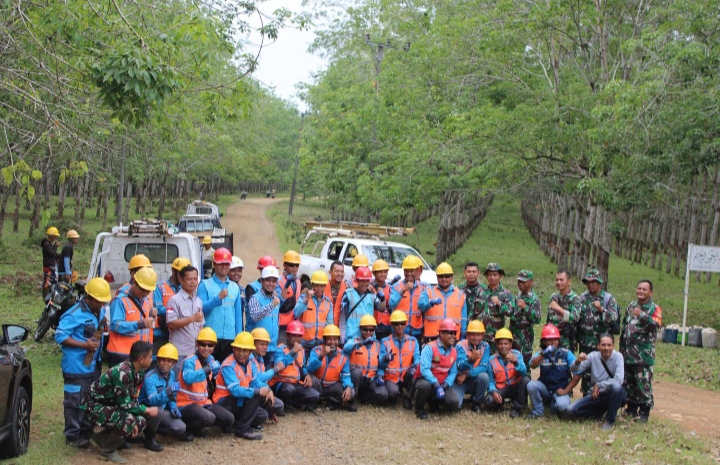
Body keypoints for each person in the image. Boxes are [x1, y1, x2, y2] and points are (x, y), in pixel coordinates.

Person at [82, 341, 161, 463]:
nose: (152, 359)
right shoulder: (123, 373)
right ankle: (107, 451)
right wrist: (147, 410)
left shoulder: (139, 371)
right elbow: (125, 405)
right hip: (94, 406)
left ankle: (102, 438)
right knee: (129, 419)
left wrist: (137, 416)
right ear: (141, 359)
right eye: (150, 357)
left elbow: (132, 398)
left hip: (112, 405)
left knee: (141, 421)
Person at [55, 277, 111, 448]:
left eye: (103, 302)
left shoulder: (98, 312)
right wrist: (83, 344)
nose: (102, 305)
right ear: (89, 297)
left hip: (93, 365)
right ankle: (72, 436)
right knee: (74, 401)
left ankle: (86, 431)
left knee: (91, 399)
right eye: (99, 301)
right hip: (76, 366)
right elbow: (59, 335)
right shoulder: (74, 314)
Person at [176, 327, 234, 439]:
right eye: (203, 344)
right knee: (209, 418)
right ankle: (185, 429)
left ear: (214, 346)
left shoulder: (211, 360)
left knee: (229, 418)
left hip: (203, 403)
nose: (206, 348)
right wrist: (207, 370)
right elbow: (188, 377)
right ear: (197, 344)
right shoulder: (190, 360)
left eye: (210, 345)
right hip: (185, 403)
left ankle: (197, 427)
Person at [213, 332, 269, 440]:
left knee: (262, 415)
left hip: (237, 400)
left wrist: (268, 390)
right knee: (255, 395)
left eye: (245, 350)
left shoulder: (249, 363)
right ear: (233, 349)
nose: (241, 353)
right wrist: (257, 391)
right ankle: (242, 429)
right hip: (224, 401)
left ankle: (236, 424)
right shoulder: (228, 365)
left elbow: (254, 381)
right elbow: (235, 390)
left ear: (250, 352)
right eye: (238, 349)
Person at [563, 334, 626, 431]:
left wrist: (599, 385)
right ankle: (599, 411)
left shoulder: (618, 357)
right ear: (598, 346)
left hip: (612, 394)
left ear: (613, 346)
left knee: (617, 388)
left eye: (609, 345)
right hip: (596, 395)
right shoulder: (593, 356)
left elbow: (618, 380)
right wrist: (577, 361)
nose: (606, 348)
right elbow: (574, 369)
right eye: (603, 345)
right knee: (570, 410)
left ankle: (610, 420)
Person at [620, 279, 662, 422]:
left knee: (642, 383)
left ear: (651, 292)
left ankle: (644, 412)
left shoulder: (654, 309)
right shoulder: (631, 306)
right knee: (629, 382)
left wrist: (642, 315)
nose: (641, 292)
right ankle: (631, 408)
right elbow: (625, 327)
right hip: (628, 353)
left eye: (644, 289)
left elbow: (655, 327)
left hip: (643, 355)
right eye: (639, 289)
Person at [577, 269, 619, 393]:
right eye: (588, 282)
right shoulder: (583, 298)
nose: (590, 285)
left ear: (600, 283)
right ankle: (586, 397)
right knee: (585, 372)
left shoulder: (608, 299)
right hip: (585, 343)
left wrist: (601, 309)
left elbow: (613, 318)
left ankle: (602, 399)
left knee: (601, 372)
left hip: (601, 345)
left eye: (594, 282)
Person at [197, 247, 243, 361]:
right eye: (220, 264)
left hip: (229, 337)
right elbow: (200, 309)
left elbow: (238, 316)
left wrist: (238, 338)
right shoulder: (204, 285)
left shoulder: (234, 287)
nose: (224, 267)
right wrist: (217, 299)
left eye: (227, 264)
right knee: (210, 371)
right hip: (210, 337)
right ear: (214, 264)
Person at [138, 343, 189, 442]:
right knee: (159, 410)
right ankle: (149, 435)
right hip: (146, 410)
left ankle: (154, 429)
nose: (165, 363)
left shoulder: (172, 374)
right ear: (158, 360)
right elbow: (153, 401)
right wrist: (167, 391)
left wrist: (173, 407)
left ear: (174, 363)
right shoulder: (150, 377)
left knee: (181, 427)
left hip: (162, 409)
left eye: (169, 361)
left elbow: (172, 395)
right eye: (162, 360)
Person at [107, 267, 157, 366]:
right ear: (134, 282)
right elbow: (115, 324)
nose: (145, 293)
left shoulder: (146, 300)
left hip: (140, 354)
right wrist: (139, 324)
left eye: (148, 291)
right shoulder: (120, 301)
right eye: (143, 290)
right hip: (121, 354)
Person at [525, 324, 575, 419]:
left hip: (560, 389)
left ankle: (553, 404)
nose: (553, 342)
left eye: (555, 339)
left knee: (562, 408)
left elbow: (578, 373)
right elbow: (532, 365)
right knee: (531, 385)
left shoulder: (566, 353)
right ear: (544, 341)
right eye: (549, 340)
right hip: (546, 388)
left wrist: (566, 390)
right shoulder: (541, 354)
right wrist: (543, 354)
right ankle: (538, 410)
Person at [413, 318, 459, 419]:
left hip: (442, 383)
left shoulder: (454, 351)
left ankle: (433, 402)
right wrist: (436, 384)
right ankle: (419, 408)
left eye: (454, 333)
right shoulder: (429, 348)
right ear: (441, 334)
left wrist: (445, 385)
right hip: (426, 380)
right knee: (425, 386)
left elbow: (453, 371)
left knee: (454, 402)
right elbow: (424, 369)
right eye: (449, 333)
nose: (453, 336)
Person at [270, 320, 320, 411]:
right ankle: (282, 403)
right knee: (289, 390)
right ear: (287, 336)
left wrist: (307, 375)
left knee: (315, 395)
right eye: (293, 335)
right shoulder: (281, 349)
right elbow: (279, 365)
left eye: (299, 336)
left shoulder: (301, 350)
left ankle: (290, 404)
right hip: (281, 383)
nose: (296, 339)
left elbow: (303, 366)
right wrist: (292, 352)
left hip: (295, 383)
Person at [306, 324, 356, 411]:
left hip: (332, 386)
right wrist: (321, 355)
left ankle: (331, 401)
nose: (332, 342)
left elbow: (346, 375)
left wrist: (348, 387)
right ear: (324, 340)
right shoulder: (316, 351)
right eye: (329, 339)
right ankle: (313, 401)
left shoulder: (343, 355)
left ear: (338, 340)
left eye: (335, 339)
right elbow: (309, 369)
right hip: (317, 384)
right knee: (310, 378)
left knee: (351, 392)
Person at [378, 311, 420, 409]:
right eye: (396, 324)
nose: (400, 326)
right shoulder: (385, 342)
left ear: (405, 324)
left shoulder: (413, 341)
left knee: (417, 374)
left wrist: (415, 367)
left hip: (406, 376)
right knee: (393, 394)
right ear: (392, 325)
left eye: (402, 323)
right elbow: (380, 364)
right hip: (391, 378)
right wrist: (385, 359)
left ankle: (408, 397)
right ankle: (396, 393)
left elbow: (417, 357)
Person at [343, 315, 388, 405]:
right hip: (356, 379)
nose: (368, 332)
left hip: (371, 380)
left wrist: (380, 375)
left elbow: (380, 365)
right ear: (360, 329)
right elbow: (346, 348)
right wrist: (362, 343)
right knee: (356, 373)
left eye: (371, 330)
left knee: (383, 395)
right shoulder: (354, 341)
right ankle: (353, 400)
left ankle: (364, 396)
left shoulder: (378, 344)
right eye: (365, 329)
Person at [484, 328, 529, 418]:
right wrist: (493, 392)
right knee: (489, 400)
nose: (503, 346)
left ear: (511, 344)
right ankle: (500, 404)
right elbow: (490, 381)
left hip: (516, 387)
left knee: (526, 380)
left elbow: (524, 372)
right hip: (502, 388)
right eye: (500, 344)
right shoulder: (491, 360)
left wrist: (516, 362)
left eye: (506, 344)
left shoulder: (517, 355)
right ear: (496, 345)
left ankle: (517, 408)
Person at [418, 262, 467, 343]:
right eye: (441, 276)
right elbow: (420, 305)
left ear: (452, 277)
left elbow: (464, 318)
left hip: (453, 336)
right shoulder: (428, 292)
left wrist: (463, 334)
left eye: (447, 276)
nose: (444, 279)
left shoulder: (460, 295)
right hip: (432, 337)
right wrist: (430, 302)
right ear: (437, 277)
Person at [166, 265, 204, 365]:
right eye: (189, 279)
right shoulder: (173, 300)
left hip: (195, 352)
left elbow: (201, 326)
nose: (193, 282)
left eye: (195, 279)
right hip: (180, 353)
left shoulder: (198, 301)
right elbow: (171, 324)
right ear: (181, 280)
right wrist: (192, 318)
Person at [153, 257, 191, 353]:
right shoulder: (160, 287)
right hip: (161, 333)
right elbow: (157, 308)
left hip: (179, 334)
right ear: (174, 271)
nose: (184, 277)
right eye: (182, 274)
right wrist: (175, 311)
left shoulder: (188, 290)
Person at [246, 265, 282, 366]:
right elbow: (255, 316)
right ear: (261, 281)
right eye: (268, 280)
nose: (271, 284)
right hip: (256, 348)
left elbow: (276, 322)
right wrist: (271, 305)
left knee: (267, 379)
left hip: (271, 347)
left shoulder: (276, 300)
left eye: (274, 281)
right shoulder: (255, 298)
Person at [452, 320, 490, 412]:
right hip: (459, 381)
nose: (475, 338)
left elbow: (484, 367)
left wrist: (467, 375)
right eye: (472, 334)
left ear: (482, 336)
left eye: (478, 335)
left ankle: (476, 402)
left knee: (484, 377)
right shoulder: (460, 346)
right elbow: (460, 366)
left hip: (472, 379)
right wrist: (470, 360)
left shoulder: (485, 346)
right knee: (455, 406)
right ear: (467, 335)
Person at [294, 270, 334, 357]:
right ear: (312, 285)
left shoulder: (328, 302)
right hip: (304, 342)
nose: (319, 288)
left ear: (325, 286)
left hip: (320, 342)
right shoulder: (304, 297)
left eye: (322, 286)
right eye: (317, 285)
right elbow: (296, 313)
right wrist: (306, 300)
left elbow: (330, 323)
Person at [477, 263, 516, 352]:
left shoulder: (506, 293)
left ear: (500, 276)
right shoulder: (480, 291)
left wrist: (500, 304)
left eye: (495, 275)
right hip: (480, 335)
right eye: (490, 275)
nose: (492, 277)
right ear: (486, 276)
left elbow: (511, 312)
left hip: (496, 336)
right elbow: (474, 311)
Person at [250, 328, 286, 421]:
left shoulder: (260, 358)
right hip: (249, 393)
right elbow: (257, 379)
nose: (265, 347)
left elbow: (262, 380)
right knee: (264, 414)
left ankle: (261, 412)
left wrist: (268, 390)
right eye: (261, 344)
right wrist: (275, 370)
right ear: (253, 344)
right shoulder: (249, 358)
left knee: (278, 405)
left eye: (266, 344)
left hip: (257, 391)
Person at [339, 266, 382, 342]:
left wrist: (379, 295)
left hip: (369, 337)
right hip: (352, 337)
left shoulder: (372, 295)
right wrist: (342, 336)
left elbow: (381, 308)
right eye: (362, 281)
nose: (365, 283)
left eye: (367, 281)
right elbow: (342, 317)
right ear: (357, 280)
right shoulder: (348, 294)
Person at [389, 255, 427, 340]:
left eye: (411, 270)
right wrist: (404, 289)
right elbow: (391, 304)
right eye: (406, 270)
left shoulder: (423, 287)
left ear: (417, 271)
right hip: (399, 331)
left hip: (416, 331)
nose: (409, 273)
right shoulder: (396, 287)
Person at [511, 270, 542, 369]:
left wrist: (526, 308)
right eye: (519, 281)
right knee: (512, 363)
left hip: (525, 338)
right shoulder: (518, 296)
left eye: (524, 282)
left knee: (524, 364)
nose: (521, 284)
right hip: (513, 335)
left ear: (531, 281)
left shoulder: (534, 299)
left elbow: (537, 319)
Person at [546, 270, 581, 351]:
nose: (558, 282)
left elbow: (575, 319)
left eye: (561, 280)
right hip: (551, 339)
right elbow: (549, 319)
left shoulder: (575, 298)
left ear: (569, 281)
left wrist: (559, 308)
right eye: (557, 280)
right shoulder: (553, 296)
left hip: (566, 340)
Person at [278, 250, 302, 344]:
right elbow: (278, 302)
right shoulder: (279, 281)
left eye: (297, 265)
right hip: (281, 325)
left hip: (293, 324)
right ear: (285, 265)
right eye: (291, 265)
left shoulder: (297, 281)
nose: (294, 268)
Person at [371, 259, 393, 340]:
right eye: (380, 272)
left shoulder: (390, 289)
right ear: (374, 273)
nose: (383, 274)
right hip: (372, 324)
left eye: (385, 272)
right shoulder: (369, 287)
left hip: (386, 325)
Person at [324, 260, 348, 328]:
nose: (340, 273)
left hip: (341, 329)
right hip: (324, 328)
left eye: (342, 271)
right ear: (330, 272)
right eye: (337, 271)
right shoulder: (322, 287)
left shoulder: (348, 289)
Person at [41, 226, 60, 297]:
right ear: (51, 236)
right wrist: (55, 246)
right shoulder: (46, 244)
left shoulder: (48, 244)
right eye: (55, 236)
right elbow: (51, 253)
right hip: (48, 267)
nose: (55, 238)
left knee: (51, 282)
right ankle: (45, 296)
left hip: (51, 266)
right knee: (47, 283)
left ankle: (49, 295)